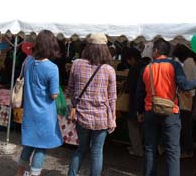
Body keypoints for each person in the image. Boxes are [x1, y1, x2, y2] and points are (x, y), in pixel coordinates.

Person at [136, 38, 196, 176]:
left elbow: (139, 93)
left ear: (156, 51)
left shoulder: (147, 68)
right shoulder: (174, 66)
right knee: (172, 151)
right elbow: (185, 86)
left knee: (150, 148)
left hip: (150, 111)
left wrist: (140, 111)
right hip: (171, 112)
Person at [67, 33, 117, 176]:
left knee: (81, 148)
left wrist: (76, 104)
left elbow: (70, 90)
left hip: (81, 115)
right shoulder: (109, 70)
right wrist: (112, 119)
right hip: (101, 118)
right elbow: (112, 98)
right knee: (97, 152)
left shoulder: (76, 64)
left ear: (88, 47)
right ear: (104, 49)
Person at [17, 30, 63, 176]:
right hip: (45, 114)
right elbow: (54, 94)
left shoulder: (28, 61)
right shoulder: (52, 68)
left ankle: (20, 173)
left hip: (29, 111)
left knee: (29, 144)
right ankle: (34, 174)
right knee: (41, 147)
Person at [172, 44, 196, 158]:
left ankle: (187, 150)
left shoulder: (188, 63)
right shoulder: (191, 61)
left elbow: (185, 83)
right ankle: (188, 148)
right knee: (187, 124)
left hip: (186, 97)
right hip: (190, 96)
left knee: (185, 125)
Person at [124, 47, 148, 157]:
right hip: (146, 100)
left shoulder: (134, 69)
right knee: (142, 125)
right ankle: (139, 147)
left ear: (132, 58)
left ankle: (137, 150)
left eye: (128, 60)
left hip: (135, 100)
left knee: (133, 125)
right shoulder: (147, 65)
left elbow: (130, 87)